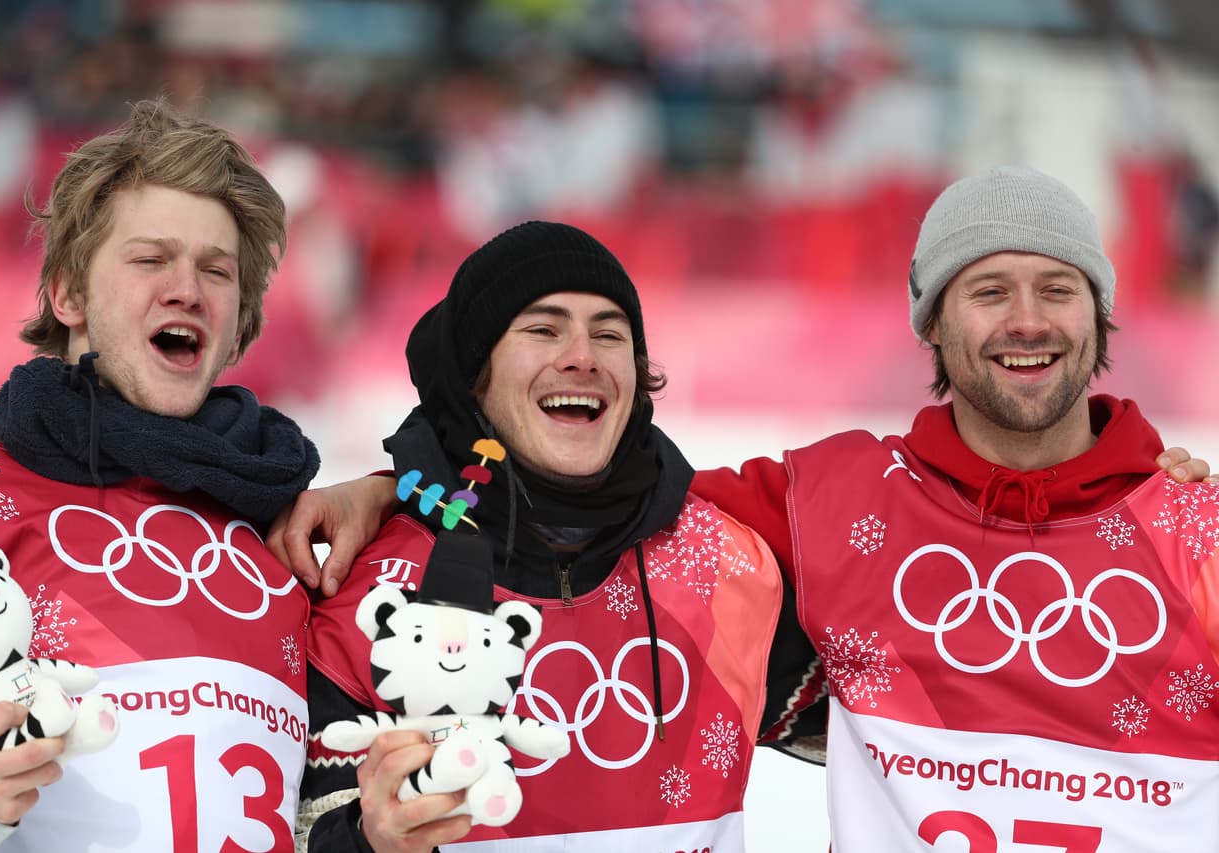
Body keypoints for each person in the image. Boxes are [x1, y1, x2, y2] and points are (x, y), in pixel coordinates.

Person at [270, 168, 1218, 851]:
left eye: (1058, 288)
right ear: (932, 320)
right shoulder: (825, 503)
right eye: (989, 290)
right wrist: (401, 489)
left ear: (1102, 313)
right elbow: (571, 499)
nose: (1028, 320)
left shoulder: (1197, 531)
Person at [293, 221, 824, 852]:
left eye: (610, 334)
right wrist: (370, 840)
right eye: (543, 330)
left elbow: (900, 733)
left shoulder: (725, 565)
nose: (582, 356)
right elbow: (301, 834)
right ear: (474, 374)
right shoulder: (369, 594)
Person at [0, 98, 320, 851]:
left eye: (216, 270)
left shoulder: (296, 531)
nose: (187, 289)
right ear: (68, 294)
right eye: (150, 260)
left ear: (237, 328)